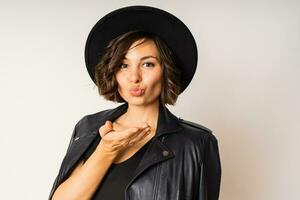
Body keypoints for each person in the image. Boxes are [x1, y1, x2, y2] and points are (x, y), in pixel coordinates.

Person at [49, 5, 221, 200]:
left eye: (148, 64)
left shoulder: (197, 143)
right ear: (113, 71)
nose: (134, 77)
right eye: (123, 65)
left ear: (166, 71)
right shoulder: (88, 128)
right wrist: (106, 151)